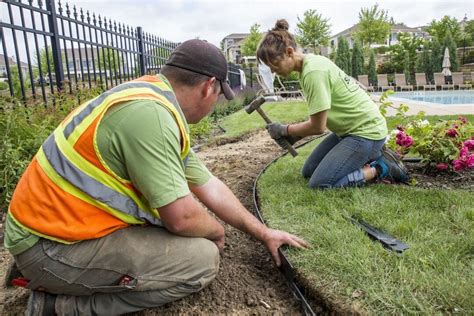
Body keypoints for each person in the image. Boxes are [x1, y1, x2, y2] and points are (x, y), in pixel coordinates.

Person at [4, 39, 309, 315]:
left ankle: (49, 271)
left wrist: (263, 233)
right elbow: (182, 218)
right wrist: (215, 232)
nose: (215, 102)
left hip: (48, 228)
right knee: (201, 261)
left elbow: (209, 185)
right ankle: (60, 306)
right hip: (51, 247)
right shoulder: (153, 118)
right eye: (218, 95)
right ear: (208, 87)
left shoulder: (151, 99)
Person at [257, 20, 410, 189]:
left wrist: (284, 130)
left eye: (275, 65)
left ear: (289, 52)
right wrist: (295, 136)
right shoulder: (310, 65)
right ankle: (366, 158)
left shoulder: (313, 72)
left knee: (320, 184)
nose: (273, 71)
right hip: (346, 132)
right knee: (308, 171)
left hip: (366, 133)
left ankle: (380, 167)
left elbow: (318, 127)